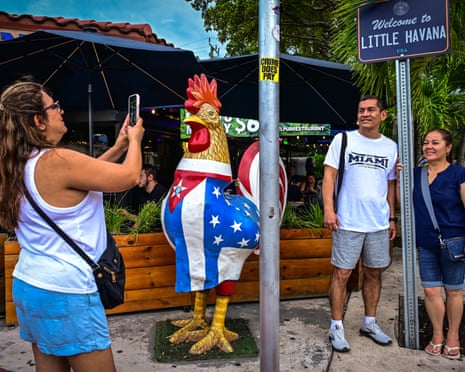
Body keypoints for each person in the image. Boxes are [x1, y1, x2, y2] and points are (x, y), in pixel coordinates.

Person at [0, 80, 144, 371]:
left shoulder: (16, 165)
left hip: (31, 286)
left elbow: (83, 182)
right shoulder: (58, 160)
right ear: (38, 121)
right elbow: (129, 177)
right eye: (54, 107)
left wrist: (118, 146)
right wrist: (137, 140)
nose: (61, 111)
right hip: (67, 292)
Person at [322, 95, 397, 352]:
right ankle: (336, 326)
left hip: (377, 222)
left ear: (382, 115)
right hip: (347, 221)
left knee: (374, 273)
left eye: (371, 110)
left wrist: (391, 217)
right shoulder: (343, 140)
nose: (365, 113)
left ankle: (369, 322)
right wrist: (329, 210)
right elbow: (329, 176)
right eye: (361, 110)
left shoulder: (390, 146)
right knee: (342, 274)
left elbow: (390, 184)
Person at [412, 128, 465, 359]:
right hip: (426, 242)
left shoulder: (458, 174)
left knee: (453, 291)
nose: (429, 146)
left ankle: (453, 336)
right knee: (431, 289)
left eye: (435, 142)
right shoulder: (415, 175)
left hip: (454, 242)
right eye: (426, 143)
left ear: (448, 147)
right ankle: (437, 335)